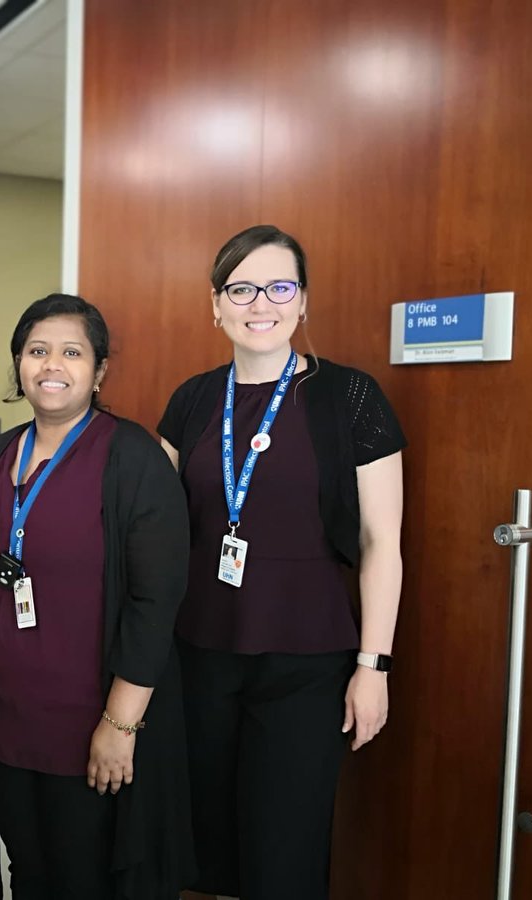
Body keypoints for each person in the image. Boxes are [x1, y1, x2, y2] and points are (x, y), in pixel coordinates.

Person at [157, 225, 406, 899]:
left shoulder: (350, 398)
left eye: (279, 286)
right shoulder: (192, 401)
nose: (259, 302)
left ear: (302, 302)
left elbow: (383, 542)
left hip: (308, 661)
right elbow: (152, 532)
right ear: (216, 304)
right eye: (241, 287)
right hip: (200, 657)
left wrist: (373, 665)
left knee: (284, 857)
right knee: (202, 851)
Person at [0, 294, 196, 899]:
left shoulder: (132, 458)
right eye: (37, 351)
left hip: (92, 731)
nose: (51, 364)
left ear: (99, 370)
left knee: (83, 881)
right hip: (4, 723)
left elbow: (154, 602)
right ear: (18, 364)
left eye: (71, 351)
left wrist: (120, 724)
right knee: (28, 877)